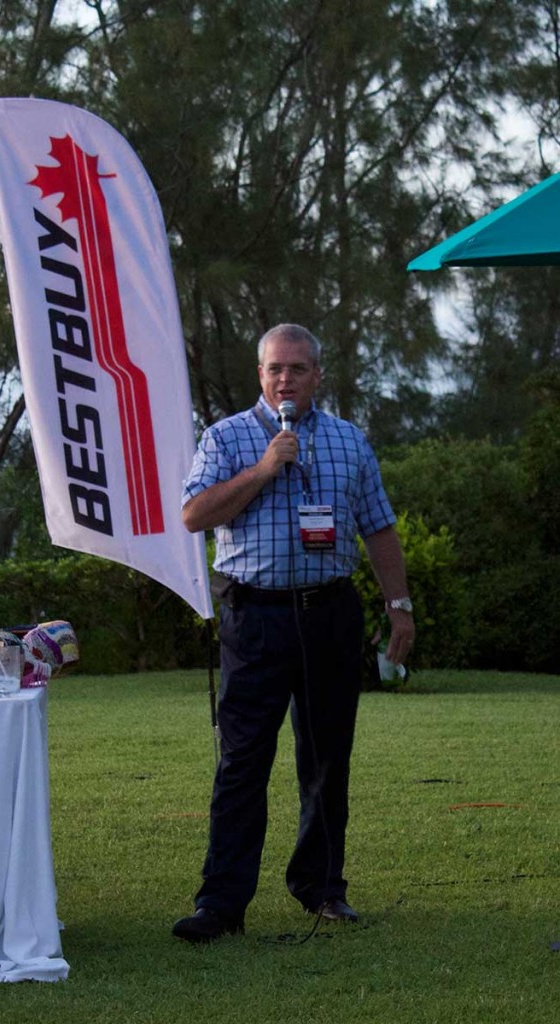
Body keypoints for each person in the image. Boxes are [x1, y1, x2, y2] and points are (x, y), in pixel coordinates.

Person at [173, 324, 415, 943]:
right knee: (242, 761)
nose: (286, 379)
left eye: (298, 368)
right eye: (276, 368)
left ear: (317, 376)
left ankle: (323, 888)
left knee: (327, 758)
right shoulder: (225, 437)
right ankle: (221, 904)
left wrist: (400, 606)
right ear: (260, 375)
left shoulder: (349, 441)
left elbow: (379, 528)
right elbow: (194, 514)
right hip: (254, 618)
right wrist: (263, 468)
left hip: (328, 614)